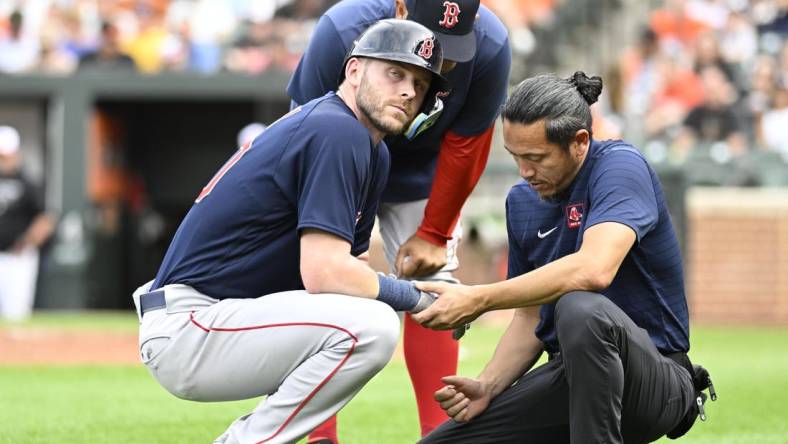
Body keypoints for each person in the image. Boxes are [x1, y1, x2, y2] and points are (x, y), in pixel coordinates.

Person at [132, 19, 447, 444]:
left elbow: (351, 271)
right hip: (191, 325)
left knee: (366, 316)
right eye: (395, 72)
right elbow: (325, 274)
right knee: (373, 327)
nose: (409, 91)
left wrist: (415, 296)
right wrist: (420, 298)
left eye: (421, 83)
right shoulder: (336, 130)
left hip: (224, 320)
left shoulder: (371, 150)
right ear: (354, 71)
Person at [413, 72, 704, 443]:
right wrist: (488, 384)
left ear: (580, 142)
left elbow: (594, 270)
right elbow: (530, 316)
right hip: (569, 377)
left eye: (536, 157)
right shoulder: (521, 201)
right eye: (516, 157)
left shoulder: (620, 167)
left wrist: (479, 299)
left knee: (580, 307)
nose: (525, 172)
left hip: (656, 384)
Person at [287, 1, 511, 441]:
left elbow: (468, 145)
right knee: (320, 283)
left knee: (437, 280)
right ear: (402, 8)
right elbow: (303, 127)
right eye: (430, 38)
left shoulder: (491, 45)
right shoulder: (341, 28)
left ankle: (439, 434)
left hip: (422, 170)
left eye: (450, 45)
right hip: (340, 156)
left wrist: (433, 232)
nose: (438, 56)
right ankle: (319, 437)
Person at [0, 125, 55, 320]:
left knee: (16, 314)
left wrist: (26, 242)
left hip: (17, 258)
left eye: (6, 155)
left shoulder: (28, 183)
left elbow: (46, 219)